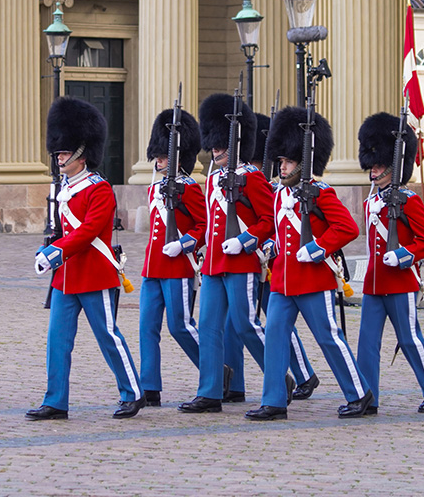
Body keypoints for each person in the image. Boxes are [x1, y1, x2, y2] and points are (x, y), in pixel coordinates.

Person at [245, 107, 371, 421]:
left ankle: (359, 393)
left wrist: (318, 247)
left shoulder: (320, 193)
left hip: (314, 280)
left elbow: (347, 228)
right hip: (283, 280)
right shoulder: (279, 195)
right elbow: (278, 231)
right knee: (275, 337)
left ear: (302, 162)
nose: (282, 166)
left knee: (328, 337)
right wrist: (271, 244)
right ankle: (274, 400)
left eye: (288, 161)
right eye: (281, 161)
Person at [27, 97, 143, 420]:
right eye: (58, 153)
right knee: (57, 341)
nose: (59, 158)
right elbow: (61, 231)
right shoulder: (64, 189)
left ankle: (133, 393)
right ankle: (56, 400)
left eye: (64, 153)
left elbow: (88, 231)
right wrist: (46, 250)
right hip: (66, 278)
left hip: (94, 274)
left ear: (82, 153)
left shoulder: (99, 189)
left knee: (107, 336)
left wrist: (55, 253)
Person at [179, 93, 289, 414]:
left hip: (241, 262)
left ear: (235, 143)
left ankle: (280, 377)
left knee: (245, 325)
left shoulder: (251, 177)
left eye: (220, 145)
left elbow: (269, 220)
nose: (215, 150)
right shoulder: (213, 177)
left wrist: (245, 240)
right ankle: (210, 391)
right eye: (212, 145)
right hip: (215, 263)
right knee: (209, 328)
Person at [356, 112, 424, 415]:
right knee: (367, 343)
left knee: (408, 339)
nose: (374, 169)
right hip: (374, 282)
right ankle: (368, 397)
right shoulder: (372, 201)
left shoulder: (409, 200)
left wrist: (404, 255)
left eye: (380, 164)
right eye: (373, 164)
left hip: (400, 282)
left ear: (393, 166)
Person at [226, 112, 318, 403]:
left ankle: (302, 374)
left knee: (278, 325)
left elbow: (268, 221)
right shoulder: (252, 179)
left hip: (268, 263)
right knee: (243, 323)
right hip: (258, 258)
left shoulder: (263, 182)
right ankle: (236, 383)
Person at [138, 107, 205, 407]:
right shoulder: (155, 187)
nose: (158, 160)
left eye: (163, 155)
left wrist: (184, 244)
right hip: (153, 266)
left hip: (178, 266)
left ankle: (215, 370)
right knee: (147, 327)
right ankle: (149, 386)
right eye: (157, 155)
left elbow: (203, 226)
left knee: (180, 326)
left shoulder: (189, 188)